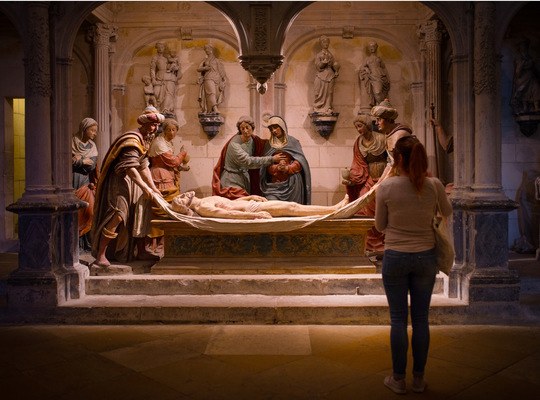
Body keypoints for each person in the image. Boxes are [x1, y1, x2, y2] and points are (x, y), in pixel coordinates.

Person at [375, 135, 452, 394]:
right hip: (425, 257)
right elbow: (447, 212)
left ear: (397, 158)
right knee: (421, 320)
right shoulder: (434, 185)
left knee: (398, 320)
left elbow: (380, 226)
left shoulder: (386, 187)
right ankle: (418, 379)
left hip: (395, 255)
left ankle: (398, 379)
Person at [91, 112, 165, 267]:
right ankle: (101, 253)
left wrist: (153, 188)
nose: (154, 128)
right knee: (119, 215)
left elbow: (143, 165)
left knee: (138, 213)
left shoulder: (144, 140)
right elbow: (130, 168)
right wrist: (145, 187)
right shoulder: (131, 140)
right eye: (152, 124)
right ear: (143, 124)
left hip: (132, 182)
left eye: (157, 125)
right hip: (119, 181)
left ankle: (138, 250)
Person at [212, 115, 286, 199]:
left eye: (247, 127)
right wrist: (272, 159)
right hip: (231, 181)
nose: (245, 131)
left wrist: (280, 141)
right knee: (238, 205)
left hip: (244, 179)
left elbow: (265, 145)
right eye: (242, 128)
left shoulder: (253, 140)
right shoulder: (234, 144)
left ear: (252, 127)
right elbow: (248, 161)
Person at [342, 115, 387, 253]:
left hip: (384, 177)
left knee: (382, 206)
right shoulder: (358, 142)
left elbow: (392, 159)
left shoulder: (381, 138)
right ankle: (371, 242)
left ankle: (383, 241)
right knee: (364, 200)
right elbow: (358, 164)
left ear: (367, 125)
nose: (358, 129)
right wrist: (352, 178)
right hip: (368, 178)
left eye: (360, 126)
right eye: (356, 127)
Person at [147, 118, 190, 252]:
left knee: (169, 209)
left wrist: (181, 168)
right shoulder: (160, 143)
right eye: (169, 130)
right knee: (160, 209)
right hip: (160, 178)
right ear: (164, 130)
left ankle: (165, 241)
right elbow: (172, 162)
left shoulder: (166, 142)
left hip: (167, 176)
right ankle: (155, 244)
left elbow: (171, 164)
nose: (172, 132)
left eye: (174, 130)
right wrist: (182, 154)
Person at [171, 191, 349, 220]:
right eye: (180, 199)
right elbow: (229, 215)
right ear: (184, 205)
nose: (183, 194)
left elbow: (231, 203)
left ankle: (333, 209)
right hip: (252, 211)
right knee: (292, 208)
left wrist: (249, 197)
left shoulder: (205, 199)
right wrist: (254, 215)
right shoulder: (203, 208)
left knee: (292, 206)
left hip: (250, 205)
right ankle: (333, 210)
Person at [260, 115, 312, 204]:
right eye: (271, 129)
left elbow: (300, 161)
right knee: (272, 205)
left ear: (282, 127)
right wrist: (277, 168)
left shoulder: (293, 141)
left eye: (276, 127)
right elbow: (265, 166)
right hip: (275, 185)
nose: (274, 131)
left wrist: (288, 168)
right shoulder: (269, 145)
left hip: (292, 184)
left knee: (293, 211)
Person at [72, 117, 100, 252]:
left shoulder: (92, 146)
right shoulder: (71, 142)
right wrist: (82, 161)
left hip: (85, 182)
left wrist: (78, 160)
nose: (95, 133)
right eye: (92, 130)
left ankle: (87, 244)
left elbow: (91, 166)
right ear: (84, 129)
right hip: (71, 181)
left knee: (89, 211)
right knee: (73, 213)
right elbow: (66, 162)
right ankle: (75, 245)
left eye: (96, 131)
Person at [313, 35, 340, 114]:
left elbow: (334, 65)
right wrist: (322, 63)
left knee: (329, 92)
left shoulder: (330, 55)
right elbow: (318, 66)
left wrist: (336, 70)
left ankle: (328, 107)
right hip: (321, 75)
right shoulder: (319, 55)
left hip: (330, 75)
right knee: (319, 92)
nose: (326, 43)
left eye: (327, 42)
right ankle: (319, 107)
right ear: (321, 43)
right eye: (324, 42)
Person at [359, 41, 391, 108]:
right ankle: (381, 106)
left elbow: (384, 68)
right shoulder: (367, 59)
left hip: (380, 75)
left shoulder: (379, 59)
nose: (372, 48)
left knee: (380, 92)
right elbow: (362, 67)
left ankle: (381, 106)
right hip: (372, 76)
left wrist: (387, 78)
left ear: (376, 47)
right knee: (377, 92)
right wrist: (366, 69)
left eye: (373, 46)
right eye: (370, 47)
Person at [197, 44, 226, 113]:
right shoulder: (205, 60)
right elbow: (198, 69)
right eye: (205, 49)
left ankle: (211, 110)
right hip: (208, 78)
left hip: (217, 78)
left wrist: (224, 79)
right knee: (211, 93)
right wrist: (205, 68)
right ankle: (215, 109)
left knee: (216, 95)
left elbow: (221, 70)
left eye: (208, 49)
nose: (206, 50)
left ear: (211, 49)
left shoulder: (216, 60)